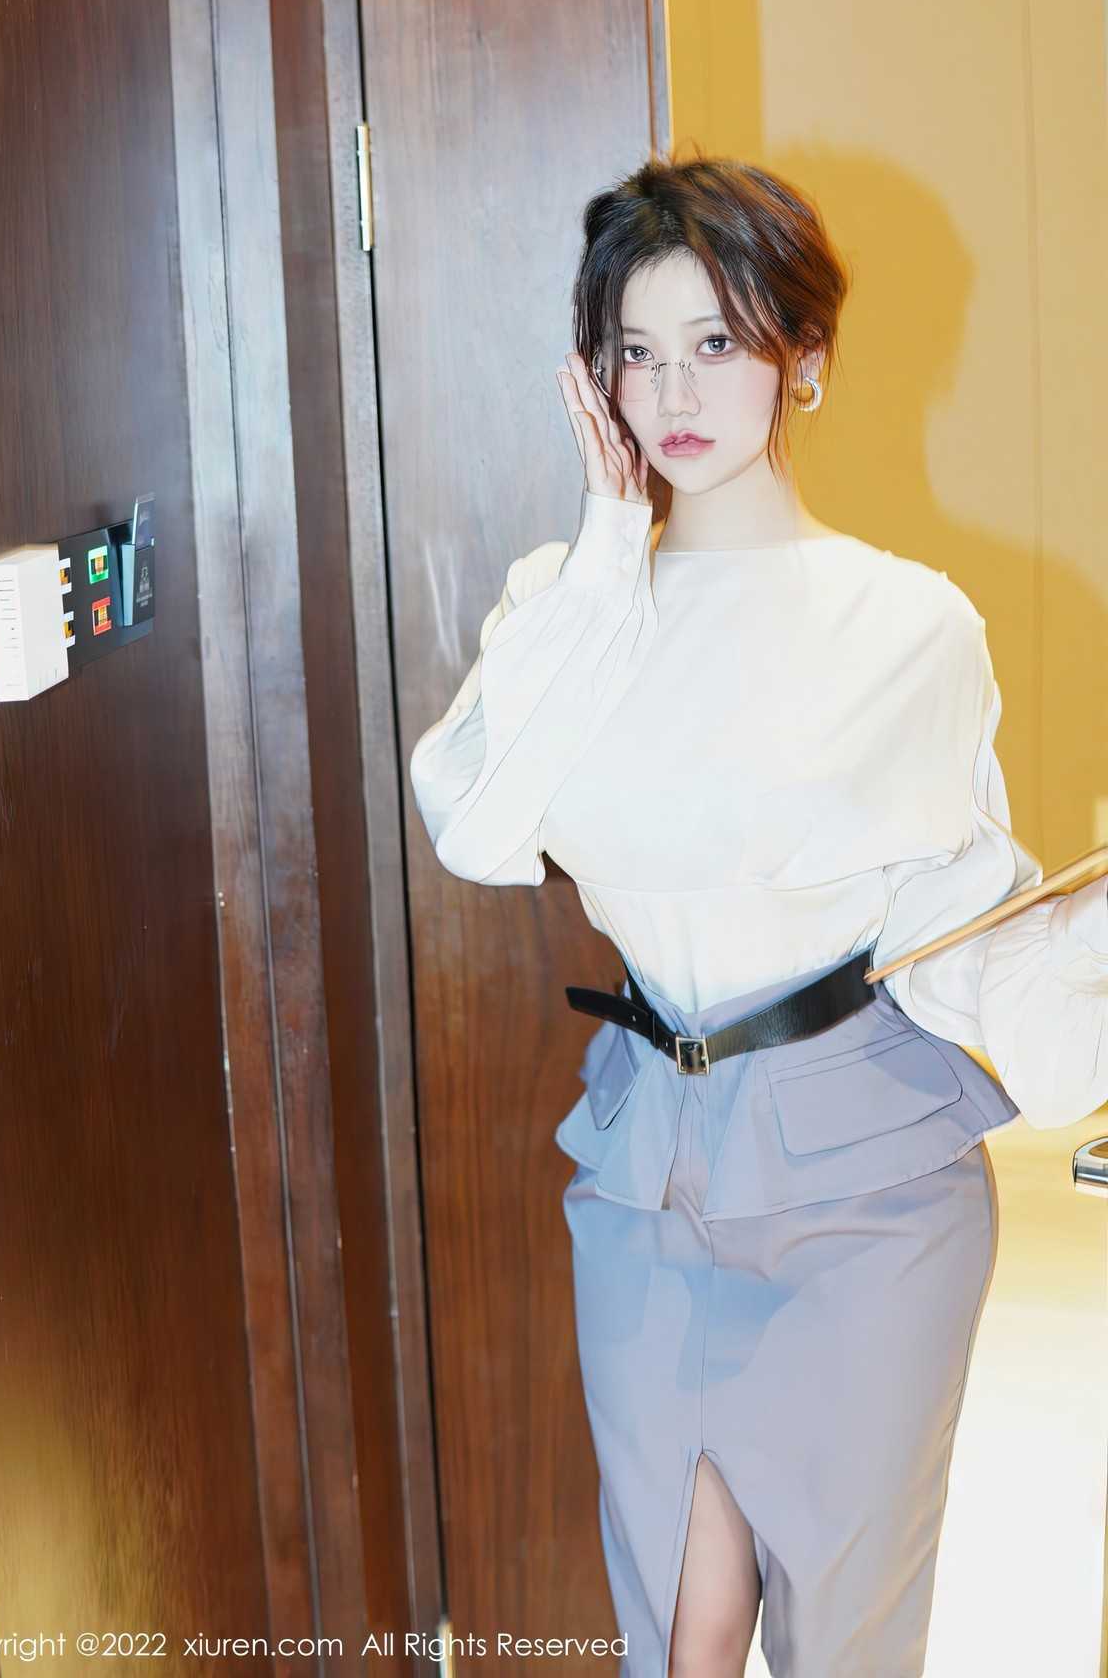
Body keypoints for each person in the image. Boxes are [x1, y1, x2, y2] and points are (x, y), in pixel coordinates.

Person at [408, 155, 1108, 1678]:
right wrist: (609, 545)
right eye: (637, 351)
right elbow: (475, 826)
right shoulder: (569, 604)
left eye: (716, 341)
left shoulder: (906, 622)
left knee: (844, 1640)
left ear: (805, 356)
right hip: (646, 1174)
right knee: (681, 1631)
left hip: (866, 1195)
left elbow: (960, 915)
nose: (674, 391)